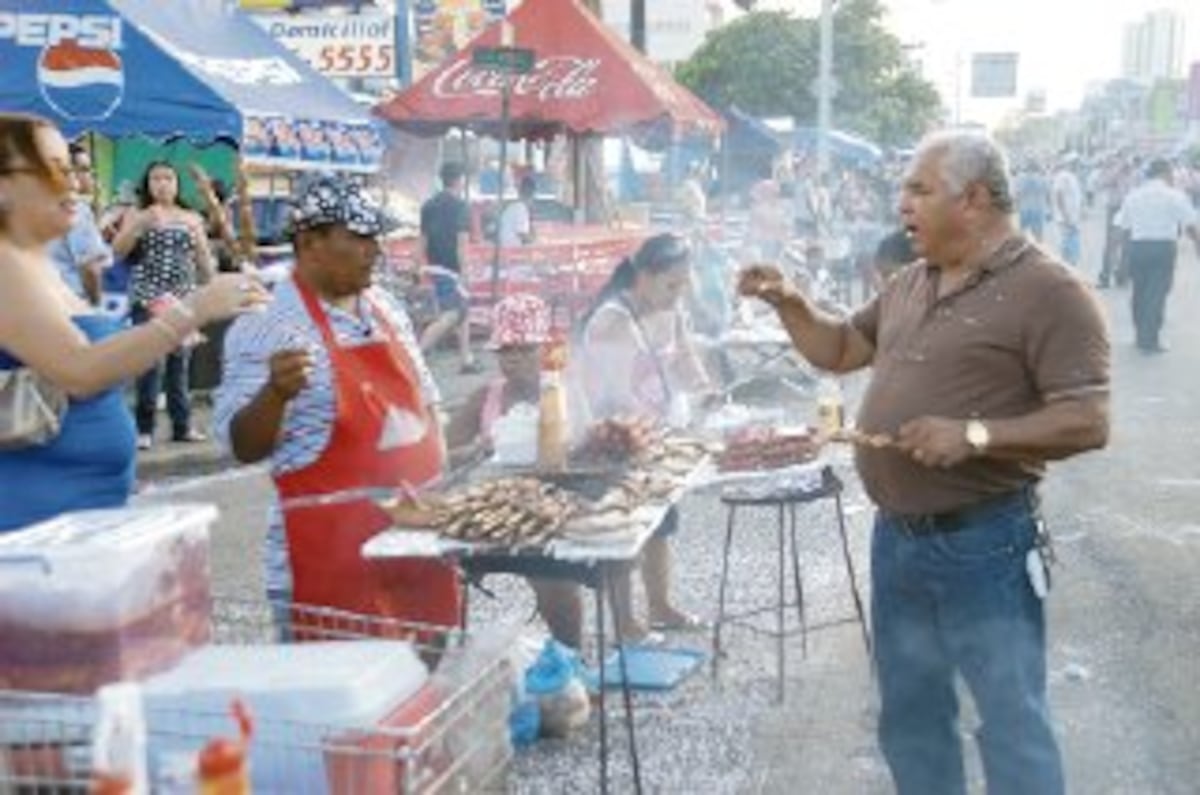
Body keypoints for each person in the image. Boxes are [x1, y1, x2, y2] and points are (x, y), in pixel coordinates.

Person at [739, 130, 1110, 795]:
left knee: (1010, 723)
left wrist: (974, 434)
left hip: (986, 545)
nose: (900, 203)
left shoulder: (1051, 290)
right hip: (898, 540)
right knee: (910, 717)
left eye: (917, 189)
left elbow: (1088, 418)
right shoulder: (914, 279)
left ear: (972, 199)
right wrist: (789, 302)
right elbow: (844, 347)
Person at [214, 176, 460, 631]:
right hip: (327, 565)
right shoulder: (266, 323)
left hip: (418, 551)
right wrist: (274, 394)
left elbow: (428, 405)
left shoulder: (385, 306)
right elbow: (240, 446)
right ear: (310, 242)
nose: (375, 250)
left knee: (428, 694)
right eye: (360, 238)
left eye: (377, 237)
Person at [0, 113, 266, 532]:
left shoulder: (32, 262)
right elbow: (80, 370)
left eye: (73, 169)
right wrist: (192, 310)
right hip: (30, 540)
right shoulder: (5, 264)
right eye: (52, 169)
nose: (74, 181)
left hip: (73, 535)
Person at [581, 232, 714, 638]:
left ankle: (660, 606)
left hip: (658, 436)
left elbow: (686, 359)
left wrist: (708, 394)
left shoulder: (669, 311)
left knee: (660, 524)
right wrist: (651, 434)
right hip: (617, 441)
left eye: (683, 284)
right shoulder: (612, 321)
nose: (678, 294)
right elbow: (614, 395)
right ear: (644, 276)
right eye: (672, 284)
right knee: (625, 530)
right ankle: (624, 622)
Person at [444, 294, 585, 648]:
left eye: (524, 350)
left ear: (543, 349)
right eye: (506, 351)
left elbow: (589, 446)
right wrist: (475, 450)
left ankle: (570, 658)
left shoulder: (563, 392)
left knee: (558, 593)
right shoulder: (485, 397)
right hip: (496, 510)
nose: (514, 359)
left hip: (552, 506)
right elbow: (442, 453)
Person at [112, 160, 219, 449]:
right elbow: (118, 251)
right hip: (149, 295)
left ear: (176, 184)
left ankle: (181, 426)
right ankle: (144, 428)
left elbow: (204, 259)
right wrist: (138, 225)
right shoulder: (137, 213)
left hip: (183, 296)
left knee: (179, 364)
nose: (162, 184)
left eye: (168, 178)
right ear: (147, 184)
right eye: (156, 178)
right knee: (150, 363)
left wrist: (211, 288)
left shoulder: (191, 217)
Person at [1113, 158, 1200, 354]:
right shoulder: (1175, 196)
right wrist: (1197, 245)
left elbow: (1122, 226)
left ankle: (1140, 334)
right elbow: (1190, 224)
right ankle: (1149, 339)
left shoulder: (1133, 195)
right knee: (1157, 292)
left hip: (1138, 247)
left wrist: (1120, 255)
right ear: (1165, 173)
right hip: (1163, 248)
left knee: (1140, 291)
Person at [418, 162, 481, 373]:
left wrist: (416, 265)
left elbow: (423, 239)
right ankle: (416, 354)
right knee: (452, 314)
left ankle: (466, 359)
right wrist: (465, 271)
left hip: (434, 266)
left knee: (463, 311)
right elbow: (461, 242)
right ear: (459, 180)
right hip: (452, 269)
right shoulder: (461, 206)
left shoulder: (428, 205)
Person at [46, 142, 111, 306]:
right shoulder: (76, 208)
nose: (92, 174)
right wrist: (96, 304)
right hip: (71, 300)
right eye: (85, 169)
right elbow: (90, 266)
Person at [1051, 156, 1083, 267]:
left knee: (1071, 251)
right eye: (1076, 163)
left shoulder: (1072, 176)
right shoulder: (1063, 176)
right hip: (1066, 219)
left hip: (1071, 218)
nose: (1078, 165)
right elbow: (1059, 196)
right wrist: (1066, 217)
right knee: (1068, 250)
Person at [1014, 162, 1050, 242]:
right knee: (1038, 234)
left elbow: (1017, 194)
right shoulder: (1042, 178)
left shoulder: (1020, 179)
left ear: (1027, 169)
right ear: (1037, 169)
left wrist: (1016, 206)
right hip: (1038, 209)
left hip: (1024, 209)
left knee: (1023, 233)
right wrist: (1048, 209)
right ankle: (1039, 247)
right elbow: (1047, 193)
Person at [498, 174, 536, 247]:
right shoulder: (520, 208)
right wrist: (535, 242)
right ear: (531, 195)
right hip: (512, 249)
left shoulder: (514, 207)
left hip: (506, 247)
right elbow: (522, 234)